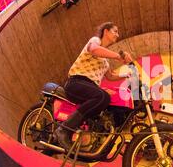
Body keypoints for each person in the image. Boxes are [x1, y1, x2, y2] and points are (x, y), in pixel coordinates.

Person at [54, 22, 133, 150]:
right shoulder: (95, 41)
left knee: (103, 104)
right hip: (76, 82)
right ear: (106, 31)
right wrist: (119, 57)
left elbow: (110, 76)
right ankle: (64, 130)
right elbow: (94, 49)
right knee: (103, 97)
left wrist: (126, 74)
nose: (117, 35)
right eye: (115, 31)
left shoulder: (105, 61)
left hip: (89, 87)